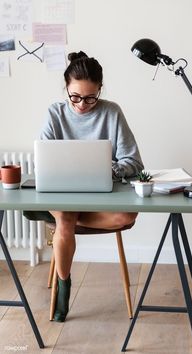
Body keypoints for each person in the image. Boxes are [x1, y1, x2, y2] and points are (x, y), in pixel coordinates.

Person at [40, 51, 144, 322]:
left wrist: (108, 169)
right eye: (75, 96)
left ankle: (66, 223)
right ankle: (64, 286)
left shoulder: (111, 112)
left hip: (100, 194)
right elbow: (44, 160)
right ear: (66, 88)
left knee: (126, 216)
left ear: (100, 89)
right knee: (65, 217)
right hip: (62, 193)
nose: (82, 104)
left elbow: (133, 161)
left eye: (90, 97)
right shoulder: (55, 113)